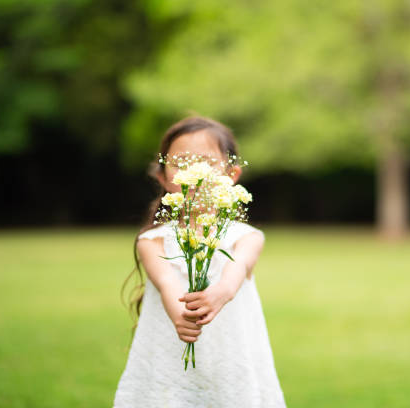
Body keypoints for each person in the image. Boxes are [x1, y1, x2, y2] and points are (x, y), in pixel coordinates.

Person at [113, 116, 286, 407]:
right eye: (181, 163)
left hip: (229, 356)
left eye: (205, 162)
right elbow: (167, 283)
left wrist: (222, 292)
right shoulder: (153, 240)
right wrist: (179, 315)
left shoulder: (246, 236)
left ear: (231, 174)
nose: (194, 172)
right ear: (163, 177)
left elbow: (238, 266)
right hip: (171, 350)